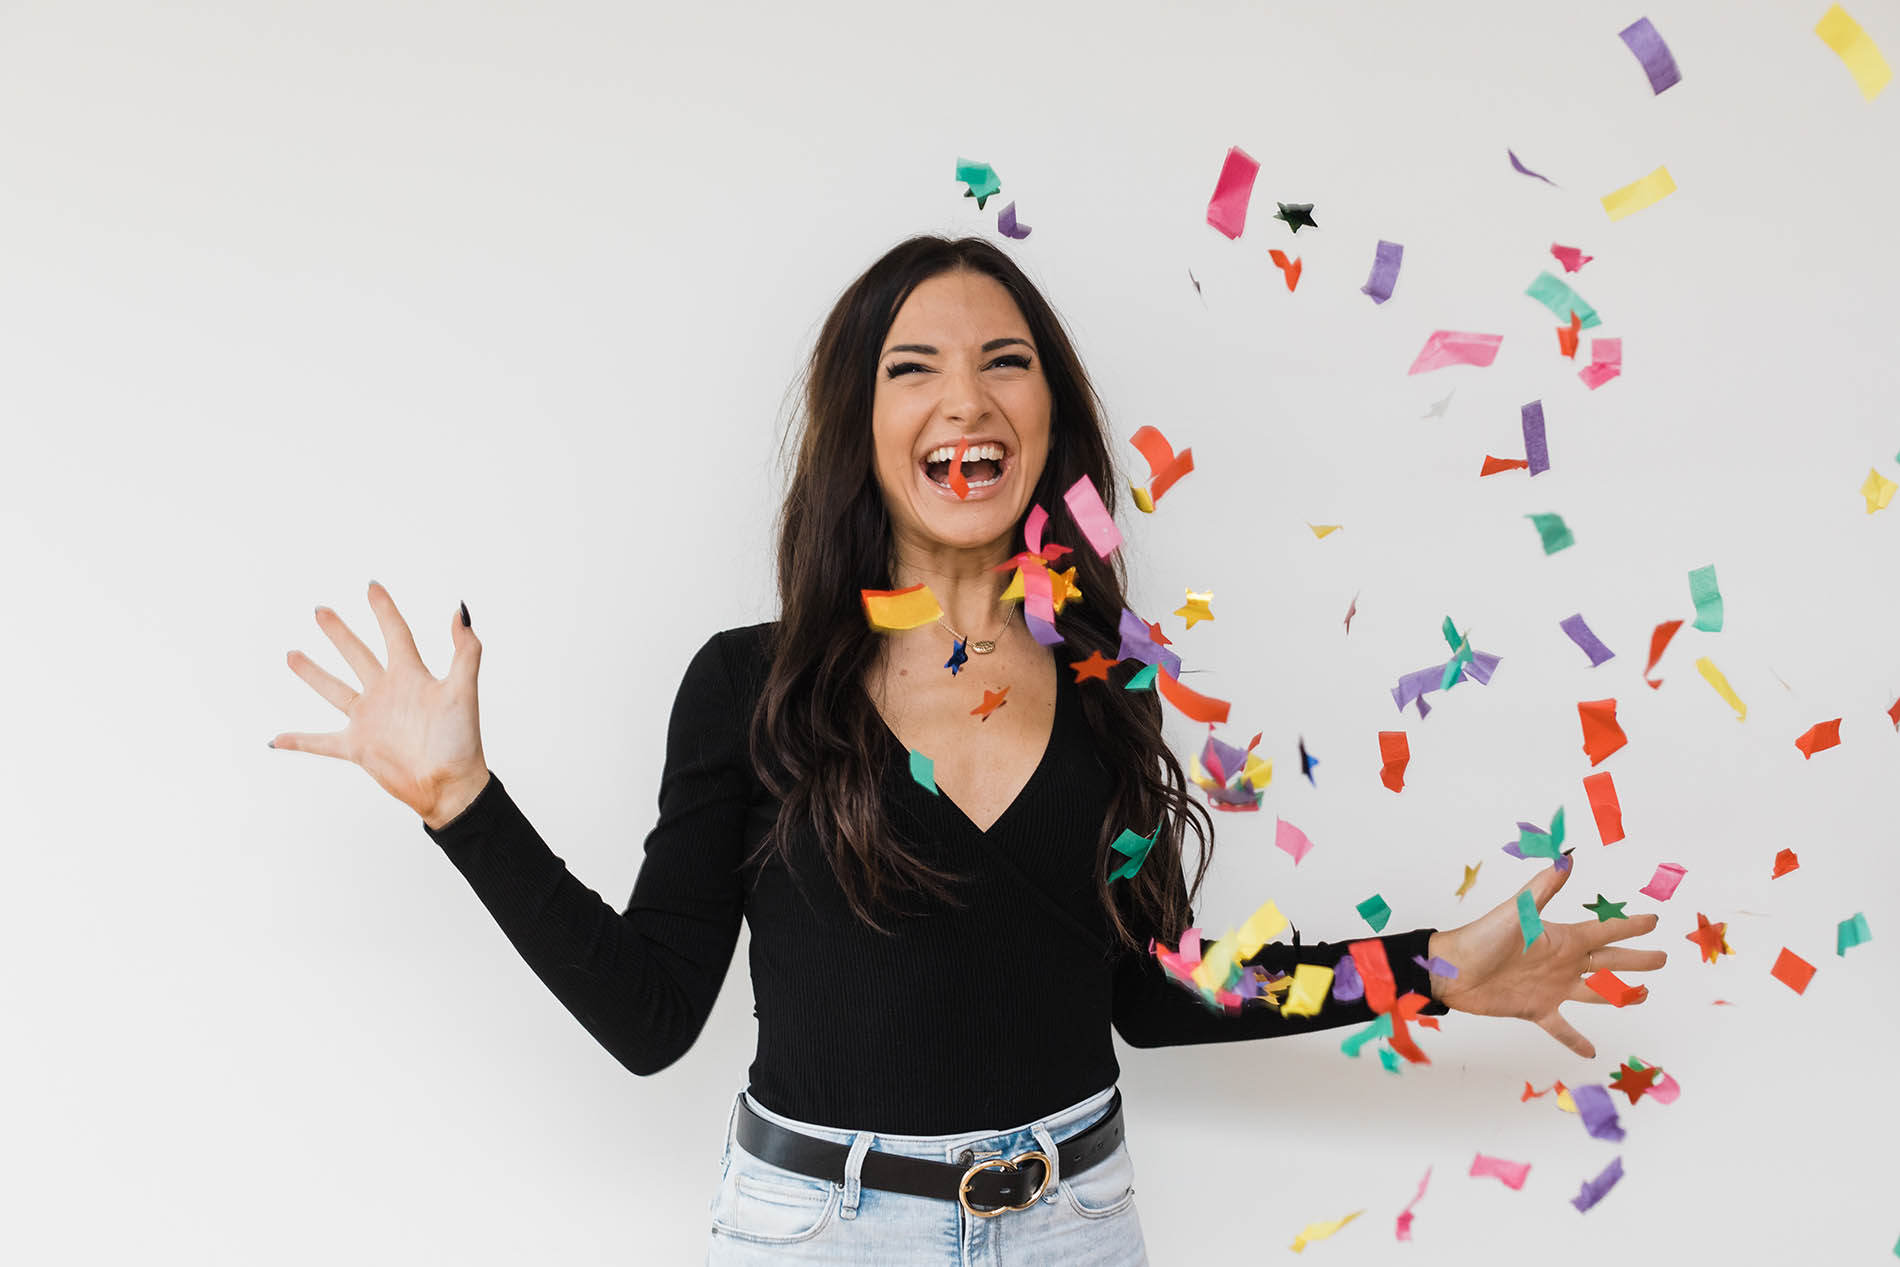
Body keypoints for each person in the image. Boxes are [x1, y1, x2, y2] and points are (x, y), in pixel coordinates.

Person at [269, 234, 1667, 1264]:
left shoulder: (1108, 683)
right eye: (915, 367)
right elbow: (650, 1019)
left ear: (1047, 420)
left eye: (1007, 363)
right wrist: (463, 805)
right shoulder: (750, 689)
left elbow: (1156, 992)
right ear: (859, 426)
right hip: (821, 1228)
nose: (967, 398)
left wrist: (1432, 967)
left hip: (1076, 1218)